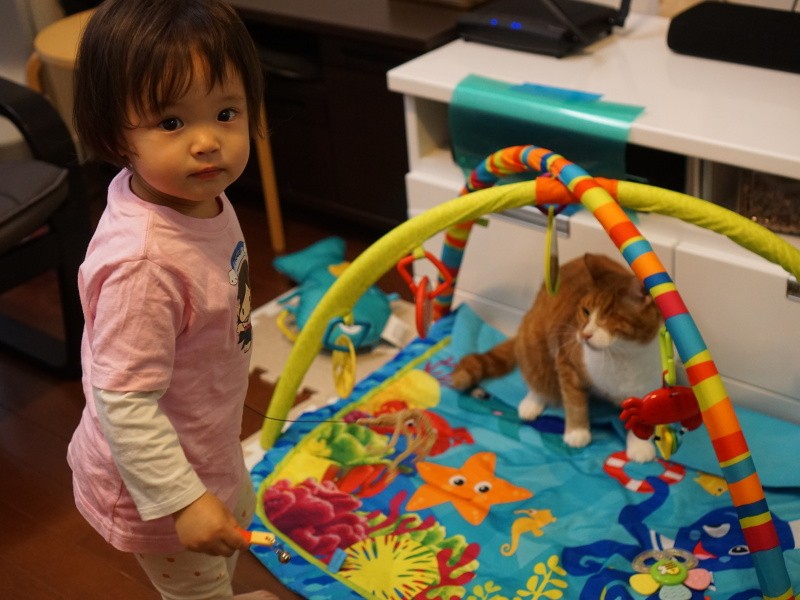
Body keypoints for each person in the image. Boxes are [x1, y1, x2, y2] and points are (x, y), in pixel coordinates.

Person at [67, 1, 275, 598]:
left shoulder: (194, 195)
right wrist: (184, 500)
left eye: (226, 113)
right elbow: (124, 401)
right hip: (153, 488)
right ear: (116, 135)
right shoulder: (143, 265)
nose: (208, 142)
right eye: (171, 122)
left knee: (226, 542)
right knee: (199, 586)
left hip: (205, 438)